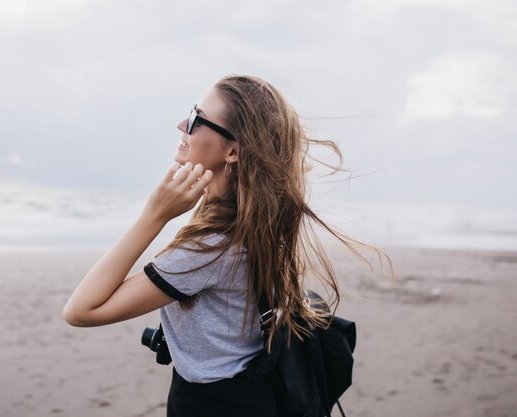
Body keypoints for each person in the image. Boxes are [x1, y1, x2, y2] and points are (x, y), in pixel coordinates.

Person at [62, 74, 394, 417]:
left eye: (195, 119)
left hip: (212, 403)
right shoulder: (255, 222)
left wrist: (153, 216)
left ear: (232, 150)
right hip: (249, 391)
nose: (181, 125)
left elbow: (81, 311)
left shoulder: (210, 248)